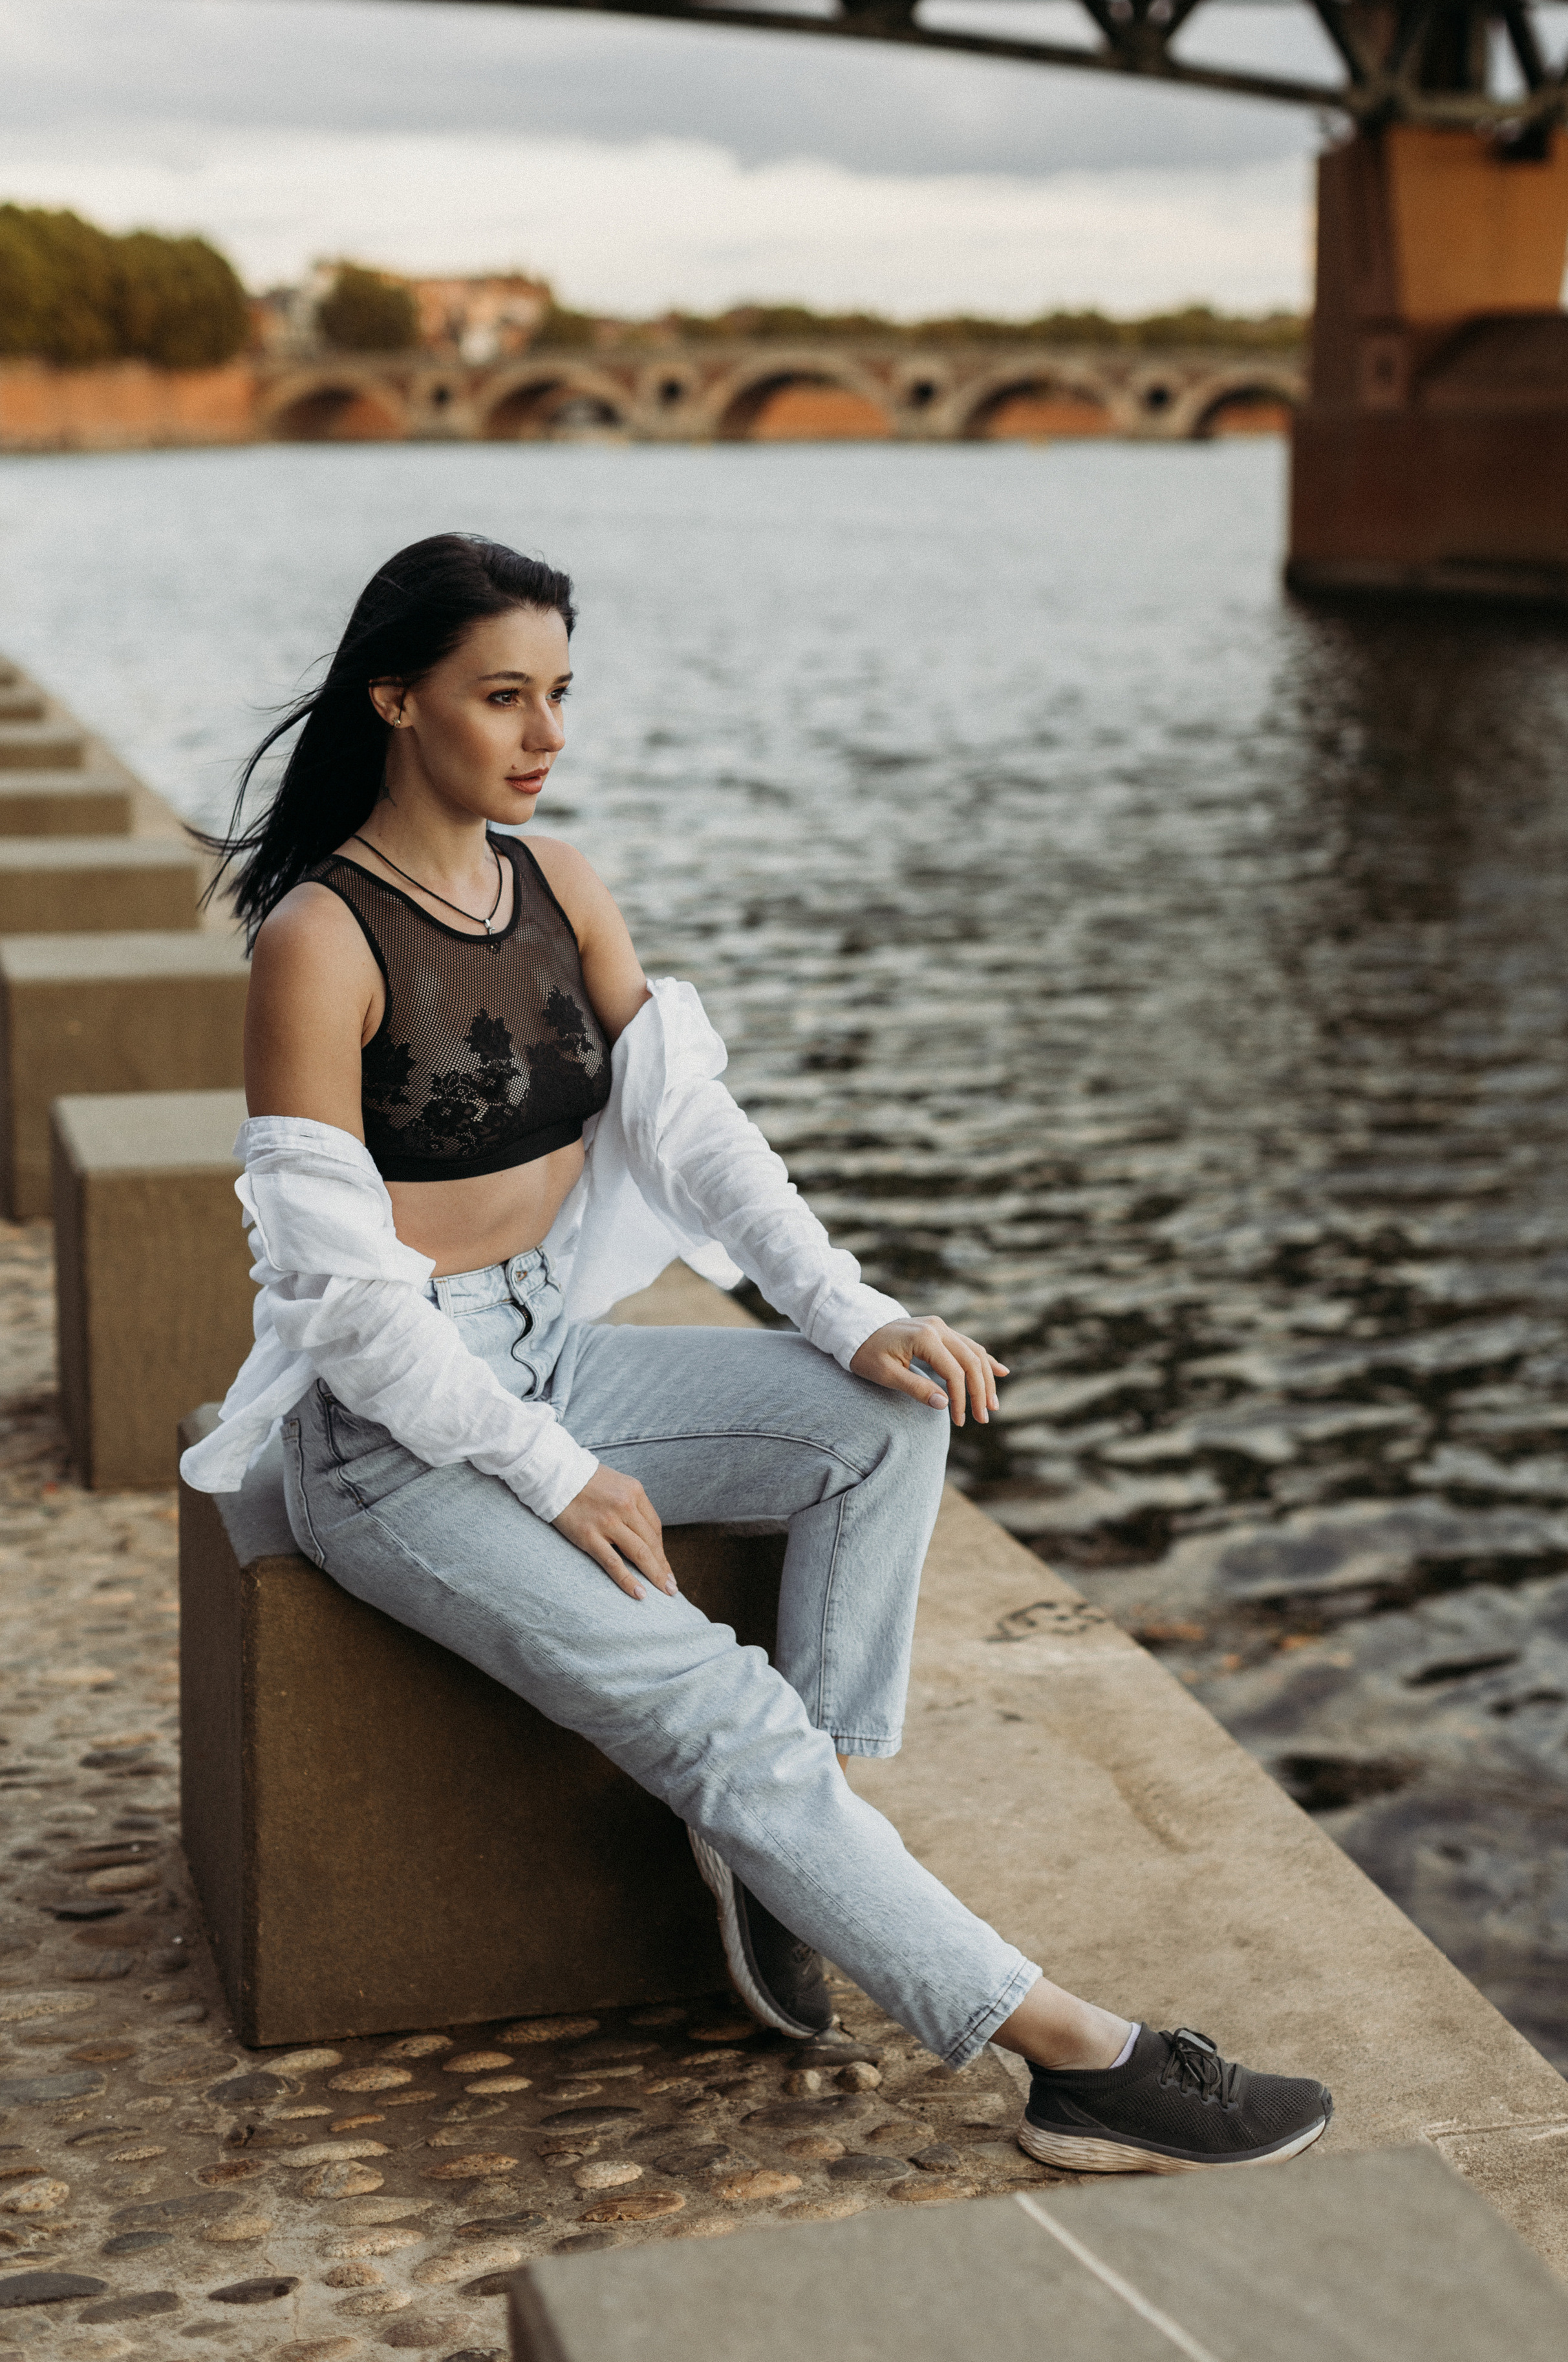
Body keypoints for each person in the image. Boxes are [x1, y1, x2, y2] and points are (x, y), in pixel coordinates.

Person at [184, 531, 1333, 2177]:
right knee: (725, 1719)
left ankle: (803, 1842)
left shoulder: (558, 882)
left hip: (546, 1343)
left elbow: (700, 1137)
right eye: (500, 696)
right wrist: (553, 1470)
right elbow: (341, 1305)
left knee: (883, 1421)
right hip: (392, 1432)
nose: (544, 734)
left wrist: (853, 1312)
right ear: (397, 698)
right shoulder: (319, 940)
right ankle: (1078, 2061)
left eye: (559, 694)